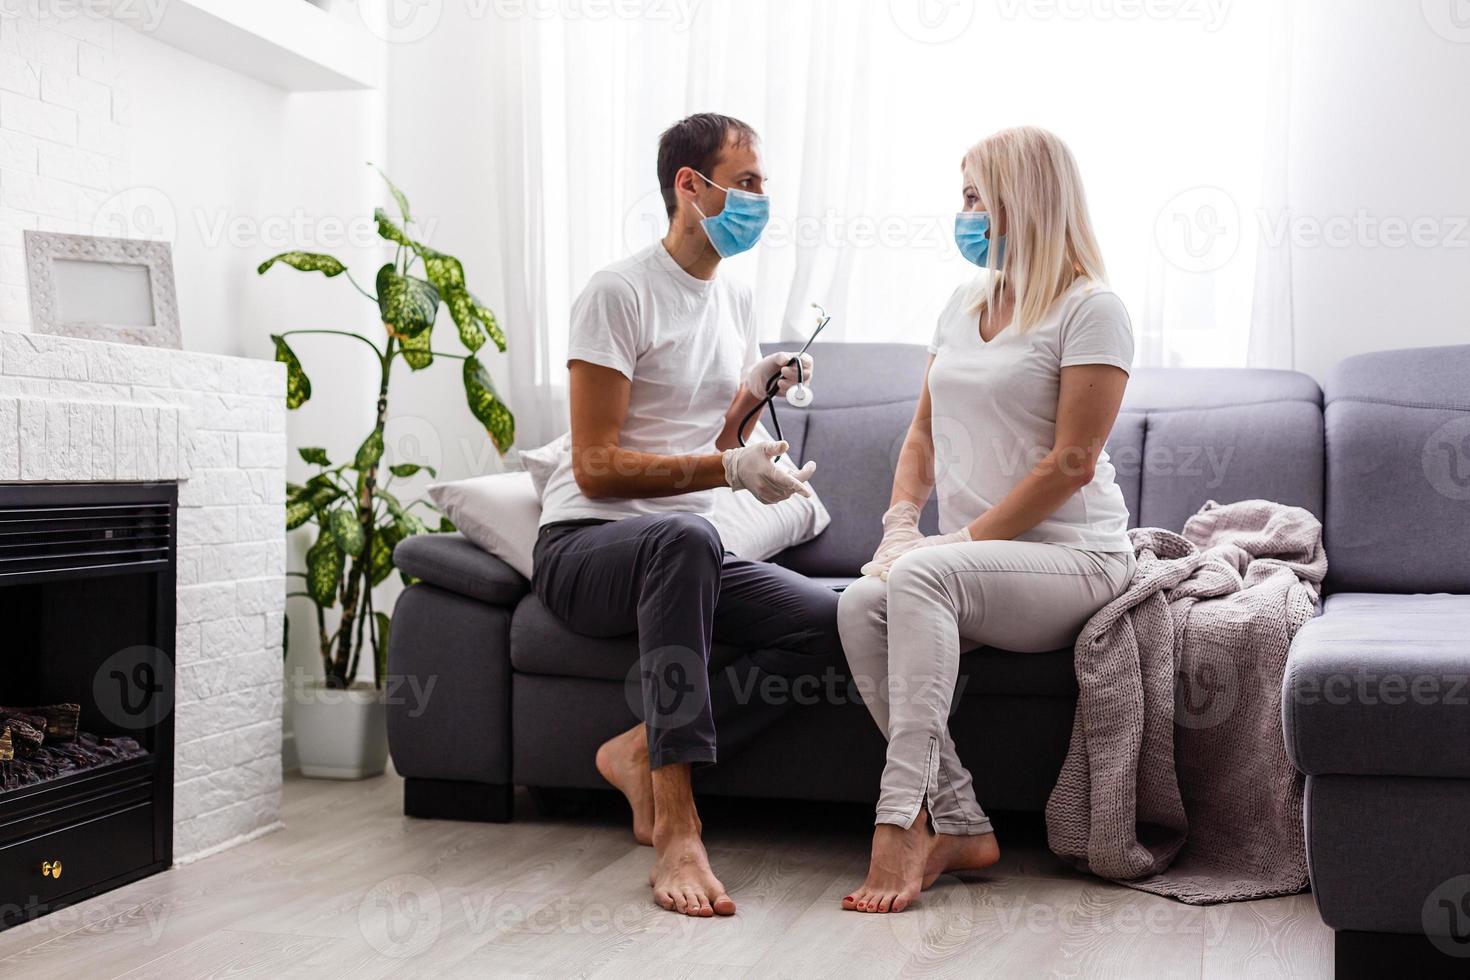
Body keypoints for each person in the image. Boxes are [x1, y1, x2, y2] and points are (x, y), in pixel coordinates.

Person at [531, 113, 841, 918]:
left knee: (839, 620)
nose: (760, 200)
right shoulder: (618, 293)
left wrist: (750, 403)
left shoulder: (732, 297)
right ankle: (677, 823)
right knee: (687, 535)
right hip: (585, 550)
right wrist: (724, 468)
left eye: (763, 184)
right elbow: (597, 470)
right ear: (689, 186)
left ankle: (637, 749)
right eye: (747, 183)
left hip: (682, 552)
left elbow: (714, 442)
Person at [836, 126, 1137, 914]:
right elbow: (924, 433)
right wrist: (902, 524)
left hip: (1077, 558)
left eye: (975, 197)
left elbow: (1071, 461)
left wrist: (950, 545)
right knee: (859, 602)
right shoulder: (962, 302)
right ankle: (962, 822)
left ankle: (898, 821)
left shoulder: (1092, 308)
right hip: (972, 565)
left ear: (1023, 202)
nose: (963, 214)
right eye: (962, 197)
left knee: (925, 576)